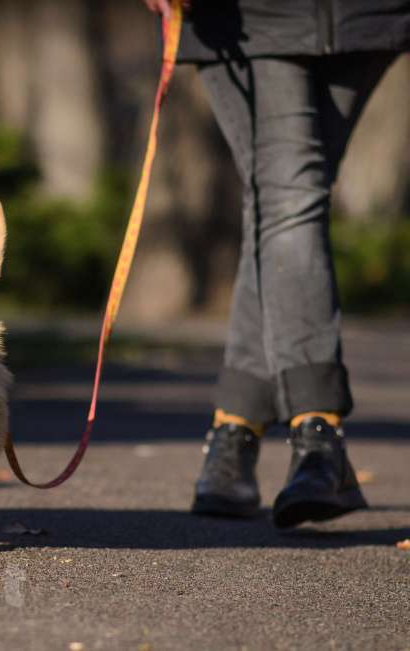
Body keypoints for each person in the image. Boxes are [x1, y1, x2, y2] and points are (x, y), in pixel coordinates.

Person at [143, 0, 410, 527]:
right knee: (290, 199)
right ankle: (317, 435)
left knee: (285, 202)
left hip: (367, 16)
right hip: (252, 17)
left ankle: (233, 439)